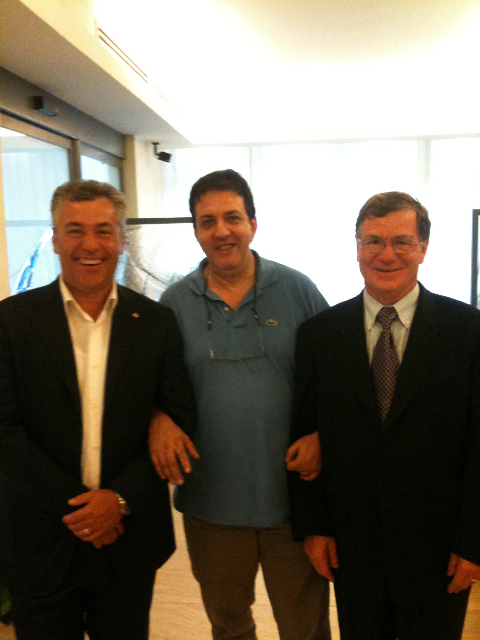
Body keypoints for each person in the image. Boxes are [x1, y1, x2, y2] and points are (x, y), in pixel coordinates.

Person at [0, 179, 195, 640]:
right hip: (40, 543)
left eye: (104, 231)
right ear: (54, 239)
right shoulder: (11, 322)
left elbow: (181, 418)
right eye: (75, 230)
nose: (90, 245)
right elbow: (4, 431)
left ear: (122, 240)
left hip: (128, 542)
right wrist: (87, 512)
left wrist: (119, 501)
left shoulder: (155, 322)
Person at [149, 169, 332, 640]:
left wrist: (323, 437)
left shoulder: (297, 289)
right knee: (229, 627)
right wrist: (158, 417)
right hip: (211, 504)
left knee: (305, 627)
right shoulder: (173, 303)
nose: (221, 231)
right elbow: (150, 384)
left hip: (293, 501)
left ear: (253, 223)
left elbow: (338, 380)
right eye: (207, 221)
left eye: (232, 217)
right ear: (196, 231)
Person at [291, 191, 480, 640]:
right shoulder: (320, 335)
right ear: (357, 247)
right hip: (353, 548)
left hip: (438, 551)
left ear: (423, 248)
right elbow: (305, 438)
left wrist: (474, 541)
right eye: (373, 240)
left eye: (402, 241)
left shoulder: (468, 332)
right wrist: (315, 528)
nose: (386, 254)